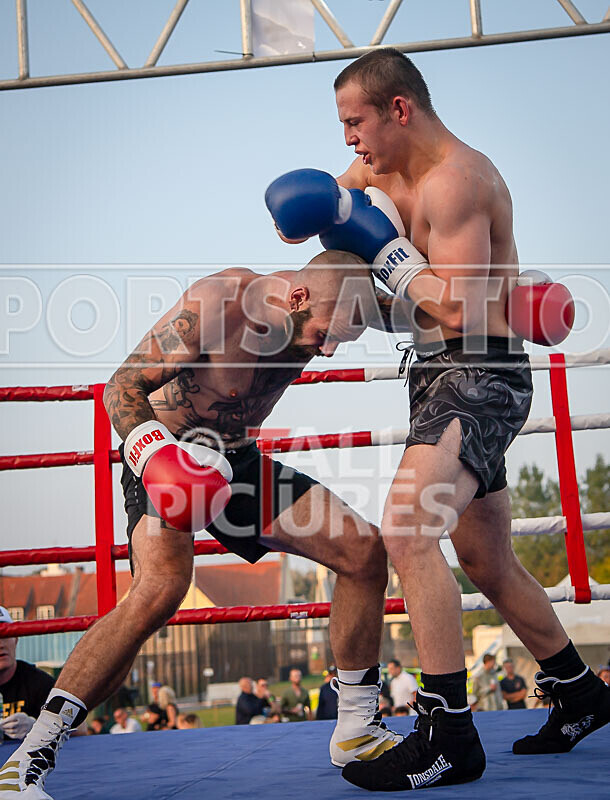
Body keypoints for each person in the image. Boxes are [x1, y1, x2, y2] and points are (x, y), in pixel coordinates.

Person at [266, 47, 609, 791]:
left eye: (355, 122)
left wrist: (380, 248)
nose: (348, 140)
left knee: (407, 527)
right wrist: (308, 216)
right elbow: (321, 209)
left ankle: (449, 731)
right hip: (432, 375)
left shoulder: (460, 180)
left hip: (480, 370)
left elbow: (453, 302)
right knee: (485, 558)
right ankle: (579, 692)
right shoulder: (379, 169)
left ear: (399, 109)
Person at [0, 254, 405, 798]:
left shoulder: (339, 302)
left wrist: (503, 304)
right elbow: (120, 387)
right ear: (298, 298)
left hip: (238, 462)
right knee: (159, 590)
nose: (328, 350)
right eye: (325, 334)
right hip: (167, 453)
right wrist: (157, 457)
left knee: (364, 551)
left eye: (342, 340)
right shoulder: (219, 304)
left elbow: (415, 307)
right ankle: (28, 758)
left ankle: (356, 727)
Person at [0, 607, 55, 740]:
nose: (0, 644)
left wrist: (38, 728)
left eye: (5, 635)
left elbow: (80, 728)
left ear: (16, 639)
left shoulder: (38, 682)